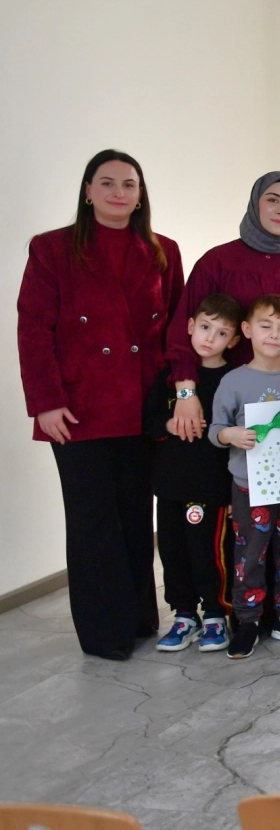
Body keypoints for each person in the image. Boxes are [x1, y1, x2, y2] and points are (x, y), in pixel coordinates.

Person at [19, 149, 185, 660]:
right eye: (107, 182)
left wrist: (179, 395)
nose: (118, 192)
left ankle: (138, 619)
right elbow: (34, 328)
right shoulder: (52, 248)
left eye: (129, 184)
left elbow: (176, 329)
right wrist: (45, 401)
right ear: (88, 191)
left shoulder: (163, 250)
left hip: (143, 405)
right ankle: (103, 634)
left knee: (136, 515)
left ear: (140, 195)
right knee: (93, 521)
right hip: (78, 407)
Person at [165, 171, 280, 440]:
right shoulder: (217, 261)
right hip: (220, 389)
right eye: (272, 200)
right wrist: (186, 393)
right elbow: (184, 329)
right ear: (255, 203)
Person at [208, 294, 280, 658]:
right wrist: (230, 435)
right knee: (250, 553)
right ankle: (248, 621)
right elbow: (215, 430)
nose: (274, 334)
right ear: (247, 330)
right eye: (265, 326)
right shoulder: (233, 380)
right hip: (249, 486)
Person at [144, 293, 243, 653]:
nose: (209, 338)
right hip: (170, 487)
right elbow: (149, 420)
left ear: (234, 340)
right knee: (173, 554)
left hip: (211, 489)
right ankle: (184, 615)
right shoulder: (170, 378)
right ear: (189, 326)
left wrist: (234, 492)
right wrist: (169, 425)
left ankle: (216, 614)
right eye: (204, 327)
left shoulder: (233, 380)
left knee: (209, 554)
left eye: (221, 333)